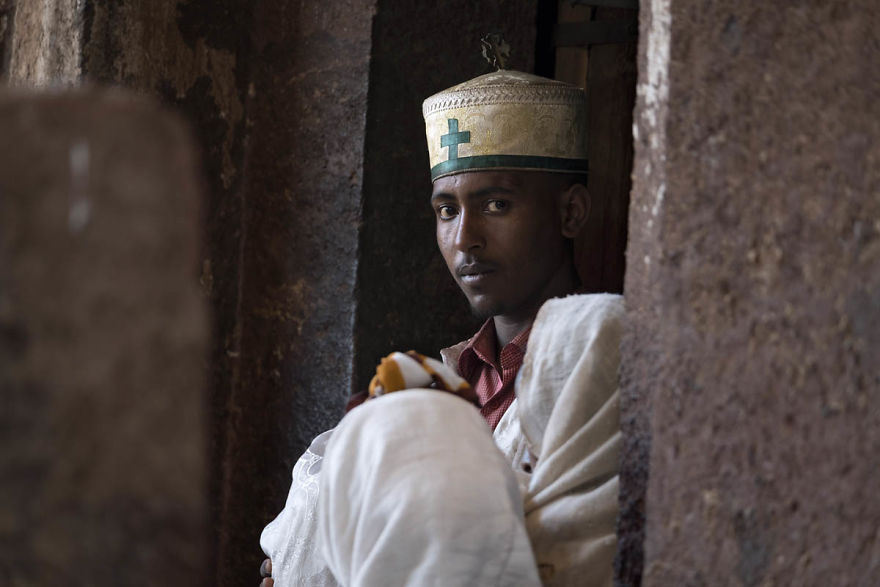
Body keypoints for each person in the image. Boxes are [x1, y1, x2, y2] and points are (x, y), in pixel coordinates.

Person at [259, 68, 622, 586]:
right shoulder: (435, 384)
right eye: (446, 210)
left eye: (497, 204)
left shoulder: (598, 364)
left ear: (570, 212)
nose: (465, 238)